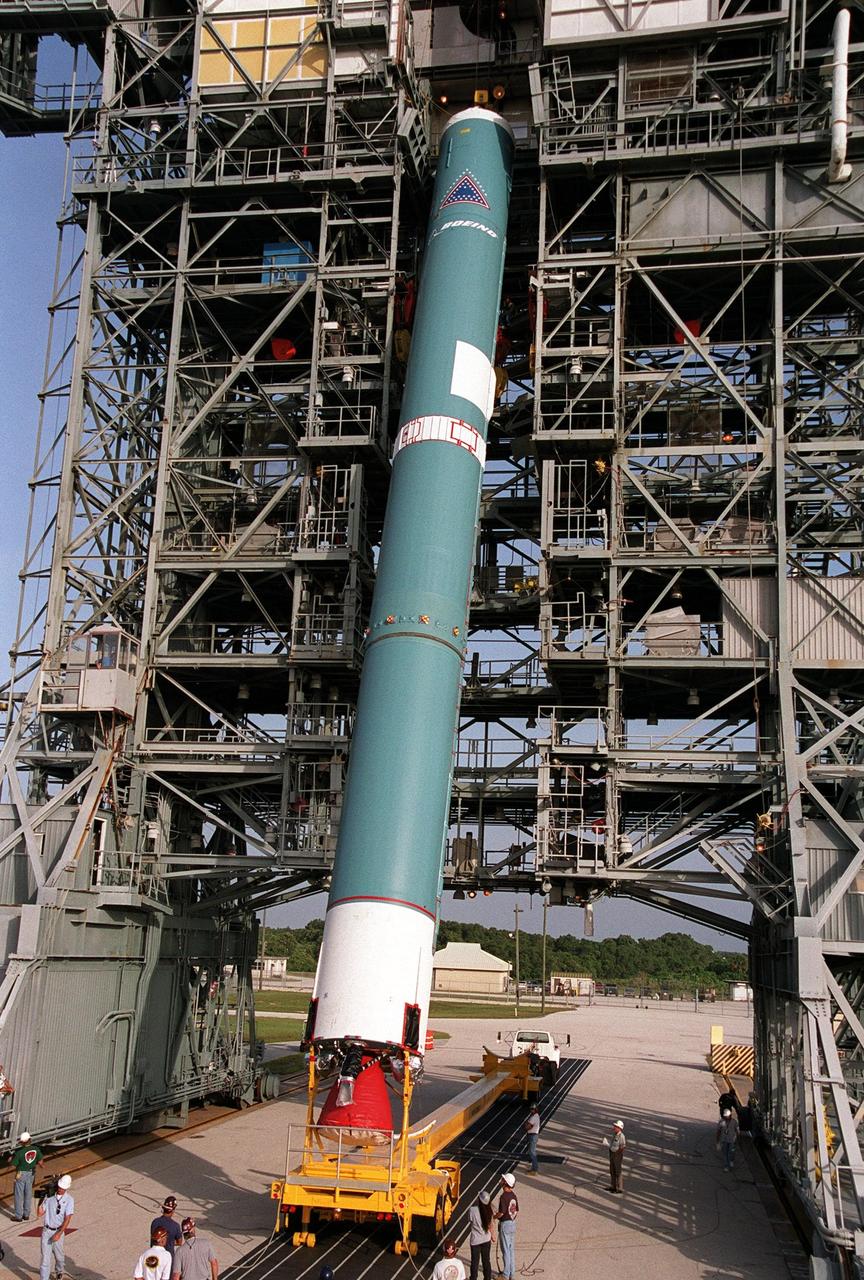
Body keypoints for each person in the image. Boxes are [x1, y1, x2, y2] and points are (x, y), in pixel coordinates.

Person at [38, 1172, 74, 1280]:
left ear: (66, 1188)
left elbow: (67, 1219)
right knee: (45, 1259)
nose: (60, 1189)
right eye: (59, 1187)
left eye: (62, 1188)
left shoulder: (69, 1200)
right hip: (46, 1231)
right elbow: (39, 1213)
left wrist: (59, 1233)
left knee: (59, 1256)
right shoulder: (49, 1197)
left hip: (58, 1231)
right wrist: (41, 1199)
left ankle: (59, 1270)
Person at [10, 1129, 41, 1220]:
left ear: (22, 1142)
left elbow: (13, 1165)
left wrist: (11, 1160)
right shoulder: (35, 1149)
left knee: (19, 1195)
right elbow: (40, 1161)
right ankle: (26, 1214)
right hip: (31, 1173)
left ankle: (18, 1216)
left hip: (21, 1173)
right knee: (28, 1193)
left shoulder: (19, 1152)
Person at [468, 1189, 495, 1280]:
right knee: (486, 1261)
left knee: (475, 1262)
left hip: (475, 1240)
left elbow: (470, 1220)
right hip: (486, 1239)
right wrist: (493, 1236)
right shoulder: (490, 1211)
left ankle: (473, 1278)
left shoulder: (472, 1210)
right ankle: (487, 1278)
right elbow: (490, 1225)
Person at [496, 1173, 519, 1280]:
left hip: (505, 1224)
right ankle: (511, 1274)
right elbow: (516, 1210)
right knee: (511, 1250)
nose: (501, 1180)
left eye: (503, 1179)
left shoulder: (503, 1197)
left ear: (505, 1183)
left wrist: (494, 1216)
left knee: (505, 1250)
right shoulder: (513, 1196)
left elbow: (501, 1212)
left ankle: (505, 1275)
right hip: (512, 1223)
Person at [151, 1195, 183, 1262]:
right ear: (173, 1210)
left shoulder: (155, 1222)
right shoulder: (175, 1226)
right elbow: (179, 1242)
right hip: (169, 1257)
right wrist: (170, 1242)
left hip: (154, 1257)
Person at [603, 1119, 626, 1193]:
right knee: (612, 1170)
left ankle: (619, 1188)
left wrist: (617, 1154)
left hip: (617, 1155)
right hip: (612, 1154)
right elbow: (613, 1144)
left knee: (617, 1171)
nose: (614, 1127)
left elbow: (622, 1147)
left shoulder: (621, 1136)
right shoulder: (615, 1134)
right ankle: (613, 1186)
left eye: (615, 1126)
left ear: (619, 1128)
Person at [716, 1107, 740, 1171]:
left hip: (732, 1140)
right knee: (725, 1153)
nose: (726, 1117)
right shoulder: (721, 1122)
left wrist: (737, 1139)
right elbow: (718, 1131)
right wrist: (718, 1142)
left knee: (731, 1152)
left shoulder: (734, 1122)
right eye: (725, 1116)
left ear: (730, 1115)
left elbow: (737, 1131)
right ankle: (726, 1166)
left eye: (727, 1116)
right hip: (724, 1140)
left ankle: (731, 1161)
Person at [524, 1105, 540, 1174]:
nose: (531, 1110)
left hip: (533, 1136)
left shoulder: (534, 1117)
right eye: (531, 1109)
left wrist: (526, 1125)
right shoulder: (536, 1116)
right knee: (531, 1151)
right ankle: (533, 1167)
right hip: (533, 1135)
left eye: (532, 1109)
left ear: (535, 1109)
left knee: (532, 1152)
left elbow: (528, 1126)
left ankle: (534, 1170)